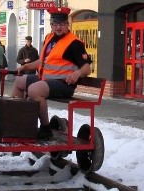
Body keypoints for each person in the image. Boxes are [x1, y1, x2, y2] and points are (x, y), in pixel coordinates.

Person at [12, 7, 93, 140]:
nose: (58, 27)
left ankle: (45, 128)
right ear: (51, 25)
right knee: (19, 81)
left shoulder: (74, 43)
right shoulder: (49, 38)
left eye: (61, 24)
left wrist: (78, 73)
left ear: (68, 24)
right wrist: (26, 66)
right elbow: (42, 61)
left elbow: (87, 68)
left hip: (64, 84)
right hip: (46, 80)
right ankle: (21, 124)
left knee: (34, 90)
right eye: (55, 24)